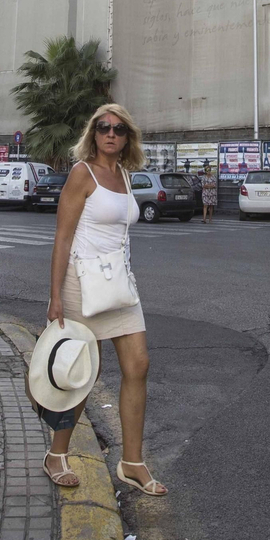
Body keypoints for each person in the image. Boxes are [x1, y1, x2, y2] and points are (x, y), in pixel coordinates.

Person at [42, 103, 168, 497]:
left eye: (118, 129)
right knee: (84, 372)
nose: (111, 134)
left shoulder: (126, 177)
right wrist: (55, 296)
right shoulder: (82, 174)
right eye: (103, 128)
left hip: (118, 285)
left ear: (128, 137)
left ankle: (132, 462)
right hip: (82, 283)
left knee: (138, 365)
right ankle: (56, 454)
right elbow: (62, 237)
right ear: (93, 135)